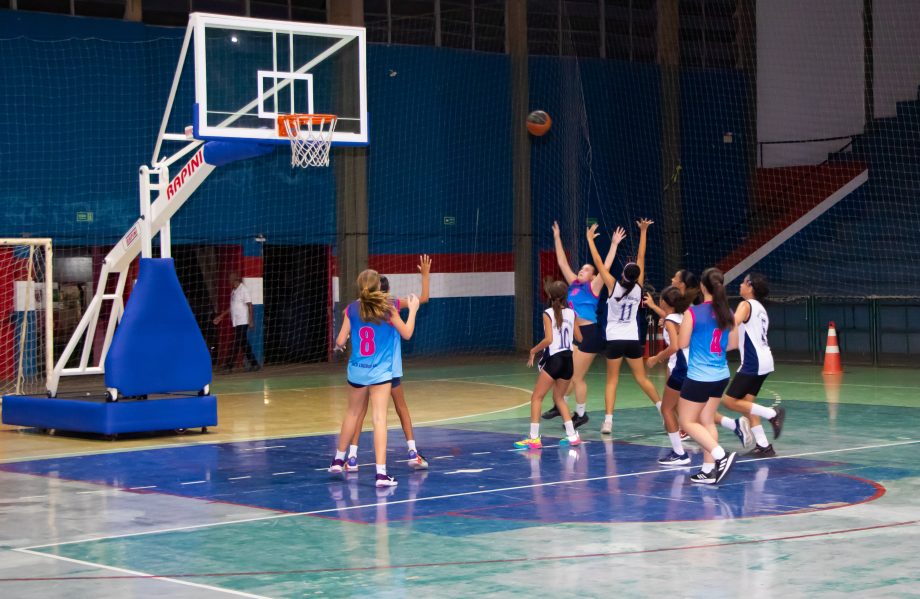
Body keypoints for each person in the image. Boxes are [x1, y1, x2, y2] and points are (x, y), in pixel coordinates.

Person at [329, 270, 420, 488]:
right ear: (379, 285)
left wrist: (343, 342)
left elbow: (340, 340)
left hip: (357, 370)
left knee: (352, 413)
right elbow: (407, 333)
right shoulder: (387, 307)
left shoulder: (352, 308)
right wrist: (414, 311)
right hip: (380, 373)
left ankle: (338, 459)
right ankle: (381, 474)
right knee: (379, 418)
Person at [346, 255, 432, 472]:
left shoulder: (359, 308)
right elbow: (422, 298)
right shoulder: (391, 305)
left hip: (364, 368)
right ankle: (412, 451)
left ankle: (352, 457)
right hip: (387, 369)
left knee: (359, 411)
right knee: (399, 407)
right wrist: (424, 275)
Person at [541, 221, 626, 429]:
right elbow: (562, 262)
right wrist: (557, 237)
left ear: (593, 276)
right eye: (581, 268)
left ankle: (581, 414)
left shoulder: (594, 286)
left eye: (586, 269)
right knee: (566, 374)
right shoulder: (574, 285)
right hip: (575, 334)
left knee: (576, 377)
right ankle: (559, 404)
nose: (581, 270)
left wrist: (614, 244)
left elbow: (605, 265)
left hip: (589, 334)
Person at [587, 219, 662, 435]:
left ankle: (608, 422)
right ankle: (662, 410)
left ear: (622, 274)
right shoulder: (639, 288)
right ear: (637, 275)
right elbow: (641, 256)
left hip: (615, 339)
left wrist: (590, 240)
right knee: (642, 378)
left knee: (612, 380)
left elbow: (599, 262)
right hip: (632, 339)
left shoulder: (613, 285)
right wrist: (644, 231)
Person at [677, 268, 738, 485]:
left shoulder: (693, 313)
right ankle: (708, 469)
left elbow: (681, 344)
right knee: (706, 419)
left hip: (699, 376)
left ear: (702, 287)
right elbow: (733, 345)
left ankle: (720, 456)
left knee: (686, 420)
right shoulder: (727, 312)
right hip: (720, 374)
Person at [716, 272, 786, 456]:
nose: (740, 285)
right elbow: (738, 335)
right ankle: (763, 445)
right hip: (764, 360)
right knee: (747, 404)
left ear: (750, 286)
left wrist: (715, 316)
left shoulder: (745, 304)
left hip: (753, 362)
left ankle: (772, 414)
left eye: (743, 282)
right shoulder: (760, 308)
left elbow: (733, 322)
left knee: (729, 401)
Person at [514, 281, 583, 449]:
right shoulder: (572, 313)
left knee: (536, 398)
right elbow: (580, 338)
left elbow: (549, 340)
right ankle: (572, 435)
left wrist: (533, 350)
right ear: (565, 296)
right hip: (568, 360)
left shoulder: (548, 313)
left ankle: (534, 438)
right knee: (559, 398)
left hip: (555, 359)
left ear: (550, 297)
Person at [645, 286, 691, 465]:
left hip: (681, 367)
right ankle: (732, 426)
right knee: (689, 412)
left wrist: (655, 358)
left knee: (666, 409)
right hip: (691, 365)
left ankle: (680, 454)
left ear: (664, 301)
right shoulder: (683, 317)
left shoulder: (671, 320)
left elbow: (674, 346)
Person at [213, 272, 260, 372]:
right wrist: (221, 316)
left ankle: (229, 366)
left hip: (243, 321)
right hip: (236, 321)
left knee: (237, 342)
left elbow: (250, 305)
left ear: (235, 279)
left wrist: (251, 320)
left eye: (230, 278)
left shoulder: (243, 289)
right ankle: (255, 364)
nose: (228, 281)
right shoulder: (234, 291)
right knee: (243, 343)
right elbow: (232, 307)